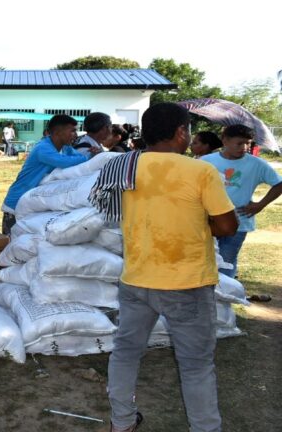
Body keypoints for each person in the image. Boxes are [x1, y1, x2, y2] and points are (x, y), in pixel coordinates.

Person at [93, 103, 237, 432]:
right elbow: (227, 226)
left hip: (136, 279)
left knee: (126, 353)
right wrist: (201, 225)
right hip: (186, 283)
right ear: (181, 132)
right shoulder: (199, 171)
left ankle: (122, 422)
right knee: (196, 365)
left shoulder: (124, 166)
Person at [201, 124, 282, 279]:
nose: (244, 147)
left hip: (239, 222)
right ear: (225, 141)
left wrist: (260, 205)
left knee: (227, 263)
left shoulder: (257, 164)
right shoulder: (206, 161)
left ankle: (224, 300)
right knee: (204, 262)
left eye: (248, 143)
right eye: (239, 143)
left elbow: (279, 184)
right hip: (208, 221)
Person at [1, 114, 99, 235]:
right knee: (13, 241)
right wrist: (90, 157)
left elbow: (77, 158)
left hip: (34, 202)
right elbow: (64, 162)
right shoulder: (43, 148)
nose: (75, 134)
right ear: (58, 132)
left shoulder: (66, 148)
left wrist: (90, 157)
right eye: (72, 131)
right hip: (16, 202)